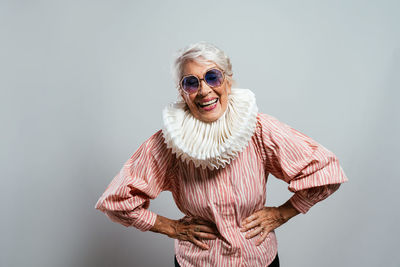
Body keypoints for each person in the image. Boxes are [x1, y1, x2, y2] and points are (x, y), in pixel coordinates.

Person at [95, 42, 348, 267]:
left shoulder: (258, 129)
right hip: (197, 262)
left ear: (228, 80)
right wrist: (171, 227)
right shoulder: (168, 144)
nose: (204, 90)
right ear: (182, 92)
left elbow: (326, 171)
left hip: (258, 259)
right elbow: (116, 201)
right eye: (191, 83)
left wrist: (283, 212)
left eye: (212, 77)